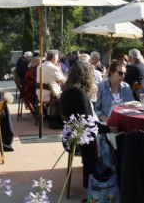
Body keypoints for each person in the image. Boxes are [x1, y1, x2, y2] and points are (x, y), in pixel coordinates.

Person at [60, 61, 110, 190]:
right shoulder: (79, 93)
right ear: (87, 76)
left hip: (71, 136)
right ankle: (102, 180)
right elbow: (89, 123)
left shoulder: (66, 91)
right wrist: (110, 128)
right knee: (116, 140)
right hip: (81, 139)